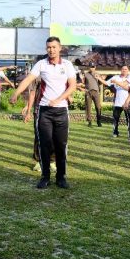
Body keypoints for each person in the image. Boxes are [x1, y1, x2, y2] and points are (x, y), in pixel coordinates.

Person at [11, 37, 78, 189]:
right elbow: (28, 80)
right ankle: (45, 176)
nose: (51, 50)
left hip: (61, 110)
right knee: (44, 144)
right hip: (44, 111)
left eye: (54, 47)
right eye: (48, 47)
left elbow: (73, 86)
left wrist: (60, 99)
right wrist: (16, 93)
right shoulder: (41, 64)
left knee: (61, 145)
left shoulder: (67, 65)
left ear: (60, 48)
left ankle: (61, 177)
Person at [107, 65, 130, 140]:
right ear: (121, 70)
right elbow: (107, 83)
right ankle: (115, 132)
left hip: (128, 103)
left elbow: (127, 88)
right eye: (123, 69)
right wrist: (99, 78)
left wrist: (117, 82)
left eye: (126, 69)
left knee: (129, 120)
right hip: (118, 103)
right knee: (115, 119)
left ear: (128, 70)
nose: (124, 70)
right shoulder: (116, 77)